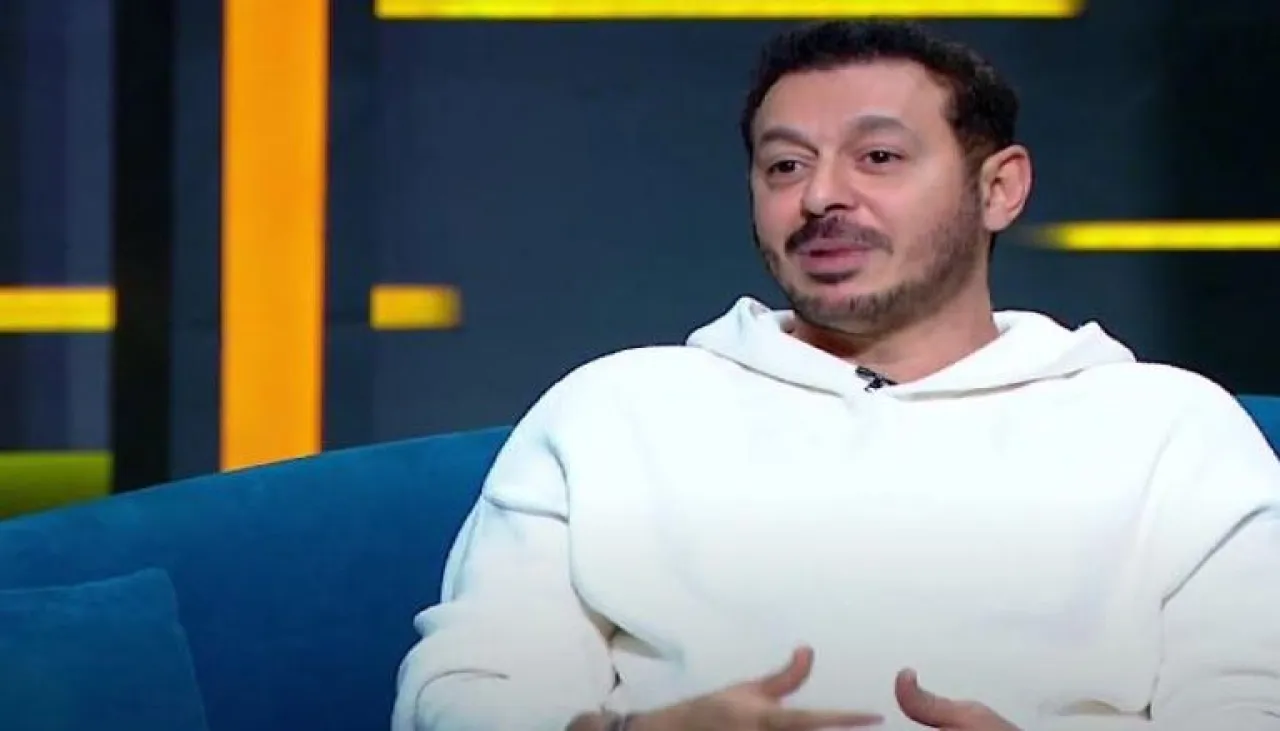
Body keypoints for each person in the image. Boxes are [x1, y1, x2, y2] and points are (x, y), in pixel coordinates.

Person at [391, 19, 1280, 731]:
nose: (820, 197)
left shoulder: (1170, 430)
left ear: (999, 188)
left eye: (878, 157)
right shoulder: (612, 411)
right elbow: (465, 691)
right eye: (786, 165)